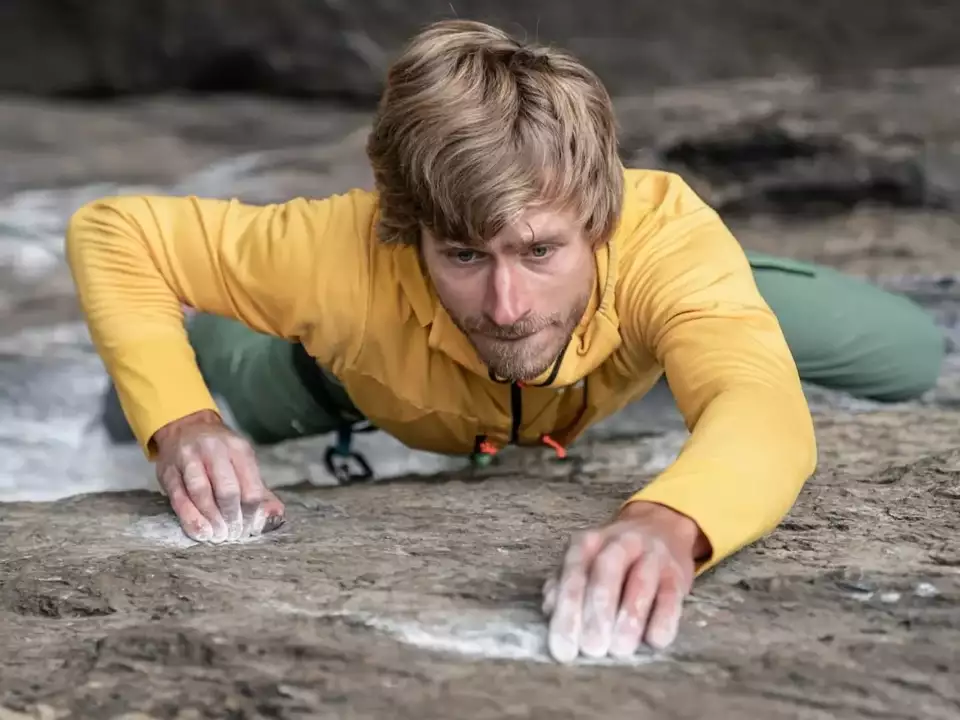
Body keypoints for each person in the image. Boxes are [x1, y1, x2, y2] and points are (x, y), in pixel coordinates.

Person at [64, 19, 945, 664]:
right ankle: (238, 339)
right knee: (179, 379)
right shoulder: (340, 246)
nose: (508, 303)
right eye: (462, 255)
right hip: (334, 382)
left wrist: (672, 521)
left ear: (598, 222)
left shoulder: (657, 242)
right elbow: (114, 232)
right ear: (410, 233)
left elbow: (766, 416)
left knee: (902, 353)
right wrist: (177, 416)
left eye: (539, 250)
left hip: (658, 297)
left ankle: (702, 319)